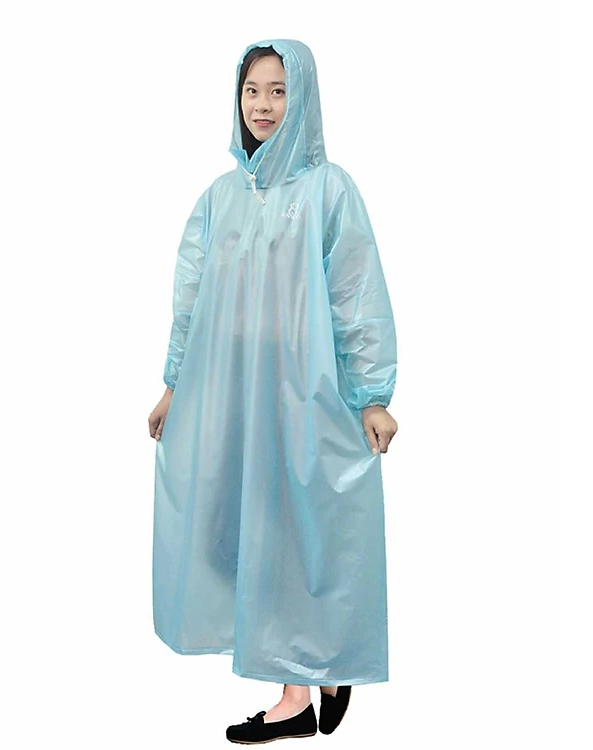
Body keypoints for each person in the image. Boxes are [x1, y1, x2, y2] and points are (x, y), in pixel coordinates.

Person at [148, 39, 398, 743]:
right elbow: (191, 299)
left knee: (306, 531)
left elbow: (355, 293)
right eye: (252, 90)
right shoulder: (220, 198)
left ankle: (320, 669)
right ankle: (299, 687)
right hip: (231, 393)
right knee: (245, 532)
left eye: (279, 91)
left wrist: (372, 393)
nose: (262, 105)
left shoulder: (328, 190)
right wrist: (174, 386)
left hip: (305, 392)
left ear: (304, 98)